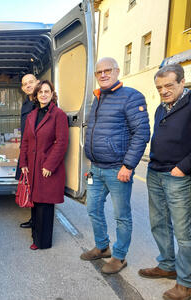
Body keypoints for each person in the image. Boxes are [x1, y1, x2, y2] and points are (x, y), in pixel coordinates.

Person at [81, 57, 150, 274]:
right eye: (99, 71)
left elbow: (141, 133)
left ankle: (119, 257)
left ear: (117, 71)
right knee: (92, 208)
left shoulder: (131, 96)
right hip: (96, 167)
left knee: (122, 215)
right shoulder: (98, 98)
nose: (103, 74)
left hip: (117, 169)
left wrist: (128, 166)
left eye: (107, 70)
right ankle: (102, 247)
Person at [138, 64, 191, 300]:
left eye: (169, 85)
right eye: (159, 87)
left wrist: (183, 168)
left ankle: (186, 283)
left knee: (183, 233)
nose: (163, 90)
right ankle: (168, 264)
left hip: (178, 176)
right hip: (155, 172)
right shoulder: (161, 107)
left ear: (182, 82)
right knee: (158, 223)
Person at [19, 80, 69, 250]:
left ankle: (43, 242)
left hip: (47, 166)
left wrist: (50, 165)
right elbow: (25, 140)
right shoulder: (32, 115)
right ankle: (36, 236)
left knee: (45, 205)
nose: (43, 94)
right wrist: (23, 162)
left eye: (47, 91)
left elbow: (62, 142)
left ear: (52, 93)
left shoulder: (58, 114)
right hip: (32, 165)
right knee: (35, 201)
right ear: (36, 95)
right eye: (40, 92)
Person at [16, 74, 39, 229]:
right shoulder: (25, 104)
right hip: (26, 149)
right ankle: (34, 219)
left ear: (37, 82)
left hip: (39, 152)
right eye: (25, 84)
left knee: (39, 187)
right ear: (23, 88)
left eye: (31, 82)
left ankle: (39, 221)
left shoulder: (42, 102)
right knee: (30, 185)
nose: (28, 85)